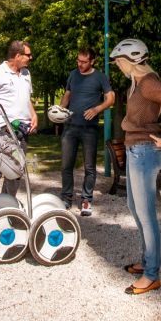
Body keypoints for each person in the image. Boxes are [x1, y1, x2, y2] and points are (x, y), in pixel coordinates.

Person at [110, 38, 161, 296]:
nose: (118, 66)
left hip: (144, 151)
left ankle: (151, 274)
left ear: (129, 61)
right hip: (135, 150)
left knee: (146, 215)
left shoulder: (149, 82)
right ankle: (146, 260)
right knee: (135, 207)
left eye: (119, 61)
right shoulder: (138, 83)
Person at [0, 40, 38, 199]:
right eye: (28, 55)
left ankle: (6, 208)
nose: (30, 58)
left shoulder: (26, 73)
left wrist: (33, 115)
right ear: (17, 56)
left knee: (16, 171)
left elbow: (27, 99)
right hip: (3, 129)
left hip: (22, 129)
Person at [59, 48, 115, 217]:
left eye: (83, 62)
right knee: (66, 165)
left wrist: (97, 109)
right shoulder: (73, 75)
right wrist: (60, 110)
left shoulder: (100, 77)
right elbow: (67, 95)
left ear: (92, 61)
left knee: (89, 167)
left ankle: (86, 200)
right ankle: (66, 199)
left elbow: (111, 98)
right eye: (78, 61)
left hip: (89, 129)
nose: (80, 64)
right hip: (70, 127)